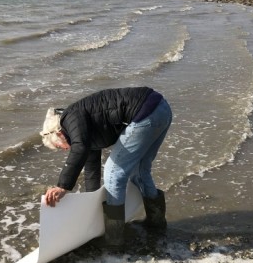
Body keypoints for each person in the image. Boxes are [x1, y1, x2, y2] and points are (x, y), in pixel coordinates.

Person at [40, 87, 172, 246]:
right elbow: (91, 169)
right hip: (161, 109)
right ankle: (156, 224)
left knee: (113, 172)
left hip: (145, 112)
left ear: (58, 134)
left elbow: (79, 148)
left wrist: (63, 186)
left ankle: (114, 240)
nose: (65, 149)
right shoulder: (83, 132)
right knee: (139, 171)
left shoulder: (70, 117)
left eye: (60, 147)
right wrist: (90, 200)